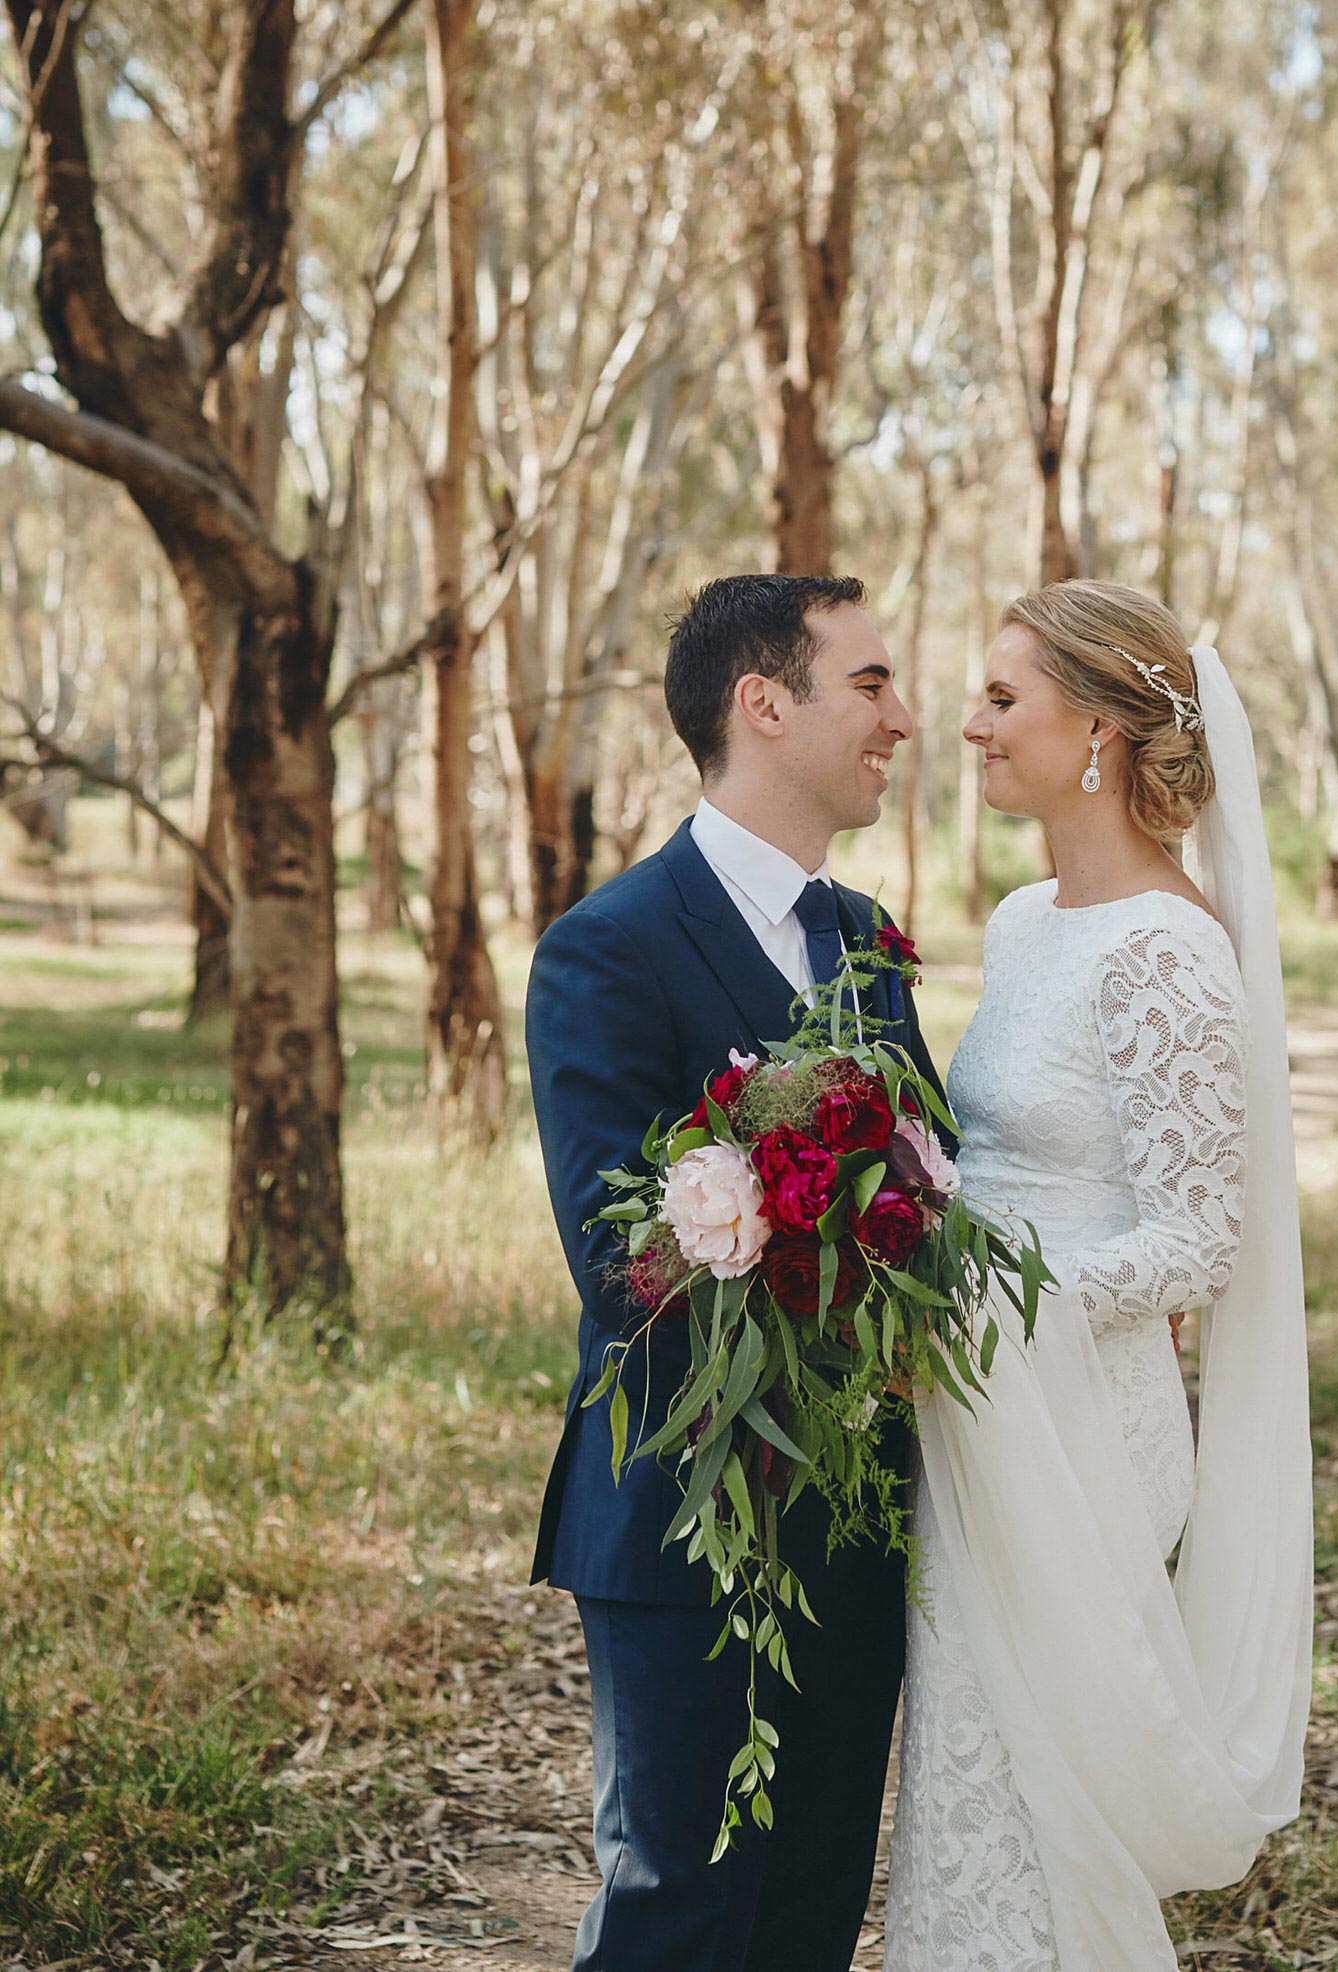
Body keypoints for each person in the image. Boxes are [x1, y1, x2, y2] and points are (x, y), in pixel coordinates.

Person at [885, 578, 1314, 1972]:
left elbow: (1202, 1239)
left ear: (1108, 730)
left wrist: (999, 1304)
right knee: (970, 1766)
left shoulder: (1169, 952)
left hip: (1082, 1413)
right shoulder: (1021, 923)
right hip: (982, 1399)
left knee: (1038, 1785)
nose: (969, 725)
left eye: (1005, 698)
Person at [526, 572, 947, 1972]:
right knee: (678, 1912)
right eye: (873, 684)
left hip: (856, 1512)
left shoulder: (866, 942)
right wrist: (798, 1207)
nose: (906, 717)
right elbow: (617, 1257)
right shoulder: (608, 948)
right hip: (680, 1507)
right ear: (765, 705)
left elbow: (933, 1182)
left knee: (816, 1905)